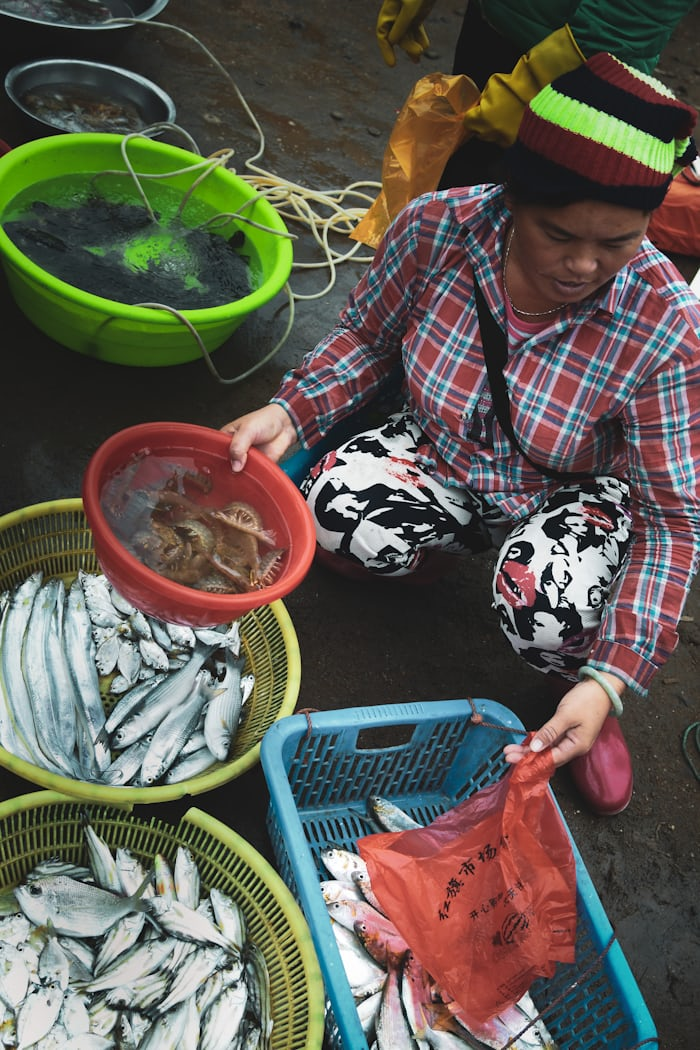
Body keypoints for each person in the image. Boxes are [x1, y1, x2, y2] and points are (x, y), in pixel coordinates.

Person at [222, 54, 700, 817]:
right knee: (334, 513)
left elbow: (672, 520)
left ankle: (577, 690)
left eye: (617, 242)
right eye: (558, 233)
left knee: (549, 608)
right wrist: (292, 411)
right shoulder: (436, 228)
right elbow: (367, 339)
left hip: (571, 494)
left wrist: (612, 677)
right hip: (445, 449)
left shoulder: (665, 323)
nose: (584, 264)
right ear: (513, 197)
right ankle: (436, 556)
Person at [375, 0, 699, 186]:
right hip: (500, 18)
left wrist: (553, 74)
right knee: (454, 193)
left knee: (525, 229)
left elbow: (638, 10)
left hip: (580, 53)